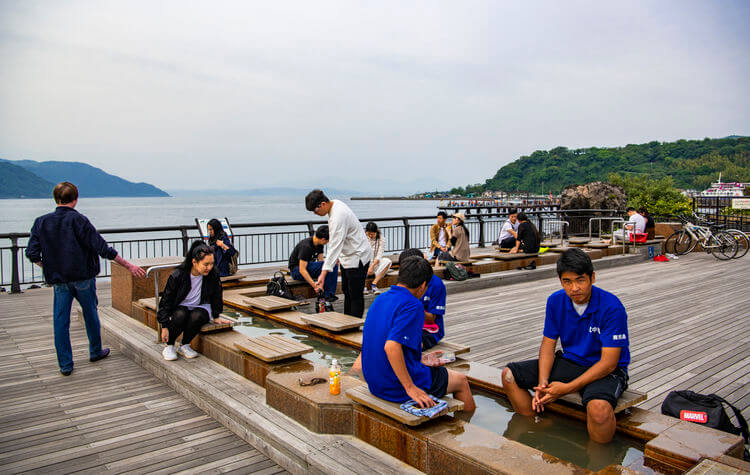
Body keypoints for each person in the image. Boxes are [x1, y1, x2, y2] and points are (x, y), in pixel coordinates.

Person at [501, 249, 630, 443]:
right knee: (509, 375)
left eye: (580, 280)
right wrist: (543, 384)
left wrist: (567, 388)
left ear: (592, 278)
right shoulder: (555, 301)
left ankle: (599, 463)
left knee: (599, 410)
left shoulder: (612, 307)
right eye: (567, 282)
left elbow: (609, 363)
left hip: (606, 370)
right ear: (560, 281)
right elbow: (548, 345)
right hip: (571, 361)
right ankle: (533, 423)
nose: (574, 288)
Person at [25, 181, 147, 376]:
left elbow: (32, 253)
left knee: (60, 321)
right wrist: (129, 265)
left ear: (56, 199)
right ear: (76, 199)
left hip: (59, 281)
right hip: (83, 278)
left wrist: (48, 266)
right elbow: (102, 248)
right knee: (91, 314)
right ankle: (95, 351)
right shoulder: (79, 221)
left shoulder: (41, 222)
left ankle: (65, 364)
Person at [361, 256, 475, 410]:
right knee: (461, 381)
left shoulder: (380, 299)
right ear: (422, 286)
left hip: (375, 383)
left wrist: (418, 360)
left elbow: (383, 342)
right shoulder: (413, 306)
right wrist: (410, 387)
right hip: (395, 388)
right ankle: (466, 428)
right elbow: (391, 347)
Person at [157, 241, 231, 361]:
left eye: (212, 264)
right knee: (181, 315)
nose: (209, 267)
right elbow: (167, 300)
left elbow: (217, 294)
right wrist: (164, 325)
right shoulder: (178, 275)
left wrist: (216, 316)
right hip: (181, 305)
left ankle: (184, 345)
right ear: (194, 262)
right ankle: (169, 345)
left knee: (197, 316)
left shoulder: (213, 274)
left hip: (201, 305)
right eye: (206, 264)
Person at [305, 190, 373, 318]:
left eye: (315, 211)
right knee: (347, 291)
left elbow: (335, 244)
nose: (315, 214)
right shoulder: (334, 205)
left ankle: (354, 326)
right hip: (348, 256)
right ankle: (347, 322)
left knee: (355, 294)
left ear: (323, 204)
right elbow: (337, 243)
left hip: (357, 256)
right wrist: (335, 259)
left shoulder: (338, 215)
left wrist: (323, 274)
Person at [399, 248, 447, 350]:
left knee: (407, 346)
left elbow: (431, 319)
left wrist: (411, 306)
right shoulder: (404, 282)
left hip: (428, 330)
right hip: (407, 325)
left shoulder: (436, 284)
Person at [288, 225, 338, 301]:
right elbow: (302, 270)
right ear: (323, 239)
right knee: (329, 265)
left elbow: (321, 262)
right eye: (328, 241)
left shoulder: (320, 244)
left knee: (331, 265)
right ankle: (327, 295)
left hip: (308, 267)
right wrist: (315, 286)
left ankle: (329, 294)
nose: (327, 242)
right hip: (296, 271)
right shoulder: (306, 246)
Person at [365, 222, 392, 294]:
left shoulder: (381, 239)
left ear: (376, 232)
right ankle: (363, 286)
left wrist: (372, 266)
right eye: (369, 234)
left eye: (372, 234)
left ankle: (374, 284)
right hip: (365, 262)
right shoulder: (363, 238)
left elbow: (379, 254)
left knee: (388, 261)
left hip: (375, 262)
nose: (370, 235)